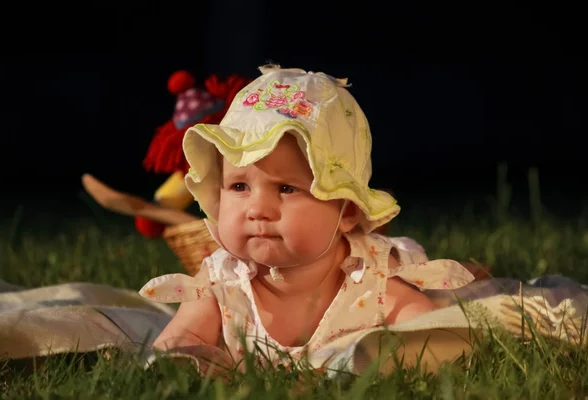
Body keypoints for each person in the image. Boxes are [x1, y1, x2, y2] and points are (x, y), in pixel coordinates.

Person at [139, 65, 476, 370]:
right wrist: (194, 360)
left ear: (348, 212)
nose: (257, 210)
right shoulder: (221, 281)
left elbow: (434, 333)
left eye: (286, 189)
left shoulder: (373, 280)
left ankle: (477, 269)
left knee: (452, 289)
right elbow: (176, 344)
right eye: (239, 186)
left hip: (392, 256)